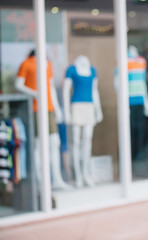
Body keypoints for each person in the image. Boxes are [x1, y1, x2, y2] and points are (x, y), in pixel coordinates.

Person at [15, 49, 71, 190]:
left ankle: (57, 180)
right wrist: (35, 94)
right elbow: (18, 85)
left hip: (49, 109)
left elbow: (51, 87)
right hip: (35, 109)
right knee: (38, 145)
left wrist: (57, 109)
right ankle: (41, 181)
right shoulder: (26, 63)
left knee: (54, 142)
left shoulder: (47, 64)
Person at [63, 55, 103, 187]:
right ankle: (78, 175)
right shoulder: (72, 70)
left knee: (87, 139)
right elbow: (65, 90)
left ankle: (86, 173)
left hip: (89, 106)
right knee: (75, 141)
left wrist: (98, 110)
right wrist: (66, 111)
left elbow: (94, 91)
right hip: (76, 106)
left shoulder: (92, 70)